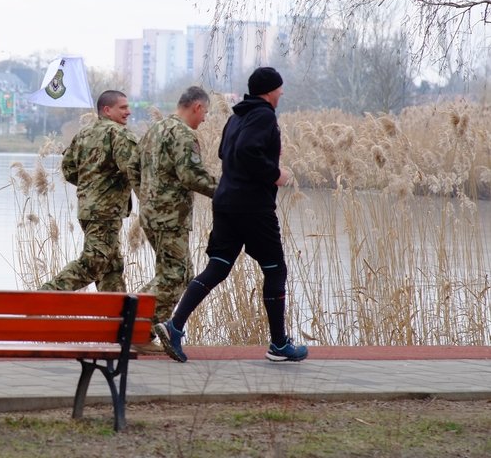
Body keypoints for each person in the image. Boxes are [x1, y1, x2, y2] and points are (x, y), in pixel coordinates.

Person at [155, 67, 308, 363]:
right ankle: (279, 345)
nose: (282, 92)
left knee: (218, 266)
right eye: (280, 88)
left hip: (226, 201)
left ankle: (174, 326)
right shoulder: (264, 115)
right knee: (276, 270)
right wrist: (275, 173)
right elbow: (247, 151)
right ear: (269, 91)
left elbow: (226, 153)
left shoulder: (236, 117)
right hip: (253, 207)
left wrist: (262, 160)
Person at [136, 86, 217, 346]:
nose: (204, 118)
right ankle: (136, 330)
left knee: (180, 274)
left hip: (151, 214)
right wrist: (226, 192)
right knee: (174, 275)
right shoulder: (184, 134)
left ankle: (140, 326)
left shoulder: (155, 130)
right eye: (205, 112)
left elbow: (133, 167)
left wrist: (146, 197)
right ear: (196, 107)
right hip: (170, 217)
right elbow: (191, 176)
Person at [41, 90, 140, 292]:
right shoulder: (120, 134)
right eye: (123, 107)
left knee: (111, 268)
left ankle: (117, 311)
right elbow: (134, 169)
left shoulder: (83, 134)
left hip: (87, 209)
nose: (128, 112)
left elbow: (69, 169)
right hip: (106, 212)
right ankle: (43, 296)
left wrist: (92, 186)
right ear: (107, 110)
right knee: (93, 263)